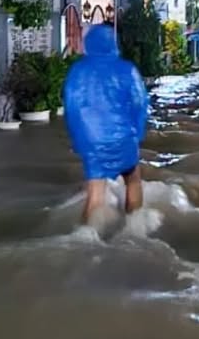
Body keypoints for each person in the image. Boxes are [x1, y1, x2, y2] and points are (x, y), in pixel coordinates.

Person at [63, 22, 149, 228]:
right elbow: (140, 103)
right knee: (133, 179)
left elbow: (71, 107)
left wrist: (79, 140)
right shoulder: (126, 69)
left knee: (95, 193)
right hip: (123, 137)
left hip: (93, 142)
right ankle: (135, 229)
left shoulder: (77, 71)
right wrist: (137, 133)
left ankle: (86, 238)